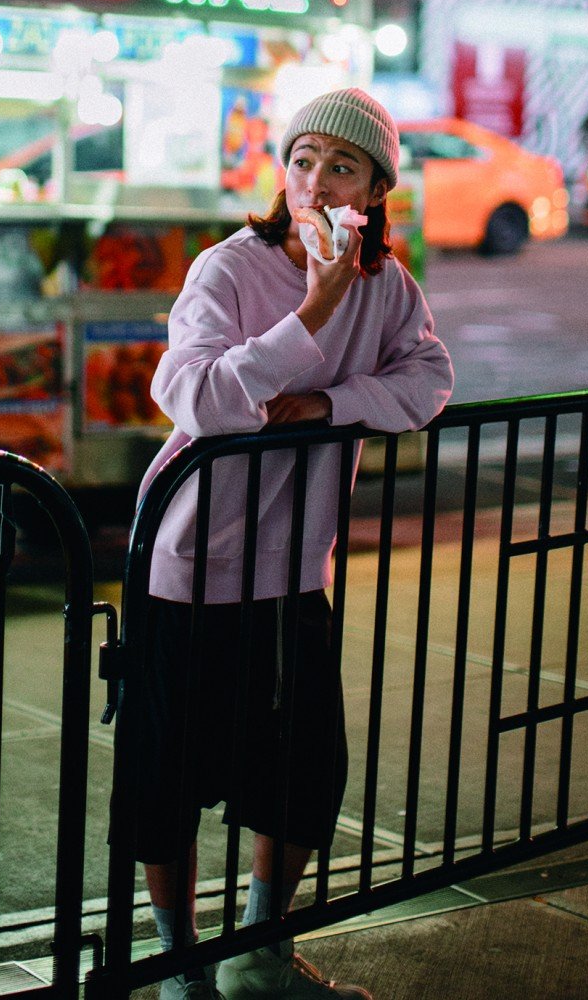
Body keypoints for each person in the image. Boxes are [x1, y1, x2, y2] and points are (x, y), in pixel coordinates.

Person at [131, 88, 453, 1000]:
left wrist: (333, 403)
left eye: (341, 166)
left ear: (375, 188)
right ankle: (179, 967)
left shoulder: (386, 284)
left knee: (306, 769)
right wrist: (309, 314)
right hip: (188, 560)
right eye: (303, 159)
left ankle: (259, 952)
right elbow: (190, 396)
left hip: (295, 565)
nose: (316, 181)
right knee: (171, 778)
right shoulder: (230, 268)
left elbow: (429, 377)